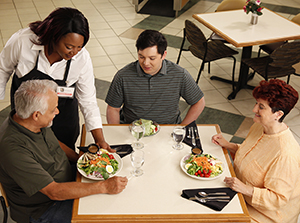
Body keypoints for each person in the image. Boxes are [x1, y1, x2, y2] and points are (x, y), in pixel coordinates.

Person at [0, 80, 128, 223]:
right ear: (36, 115)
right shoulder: (14, 149)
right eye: (53, 109)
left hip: (66, 178)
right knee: (108, 215)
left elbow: (55, 143)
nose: (57, 111)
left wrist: (82, 159)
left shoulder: (29, 119)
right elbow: (53, 192)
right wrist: (104, 186)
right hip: (45, 207)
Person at [0, 7, 111, 155]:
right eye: (69, 47)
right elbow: (2, 71)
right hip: (28, 119)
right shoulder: (23, 42)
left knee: (63, 159)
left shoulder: (81, 58)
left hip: (63, 119)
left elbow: (88, 100)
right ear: (54, 36)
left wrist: (99, 139)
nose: (74, 53)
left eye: (79, 47)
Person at [212, 79, 300, 223]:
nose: (254, 110)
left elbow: (279, 198)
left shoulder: (285, 154)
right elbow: (253, 156)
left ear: (278, 114)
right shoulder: (260, 127)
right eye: (256, 103)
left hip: (266, 215)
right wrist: (228, 145)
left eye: (261, 107)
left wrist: (246, 189)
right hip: (241, 196)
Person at [105, 30, 205, 124]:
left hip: (167, 131)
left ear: (163, 55)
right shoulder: (123, 76)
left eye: (152, 58)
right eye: (141, 57)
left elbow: (199, 102)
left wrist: (182, 128)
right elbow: (113, 108)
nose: (145, 63)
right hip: (133, 131)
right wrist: (118, 133)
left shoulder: (180, 75)